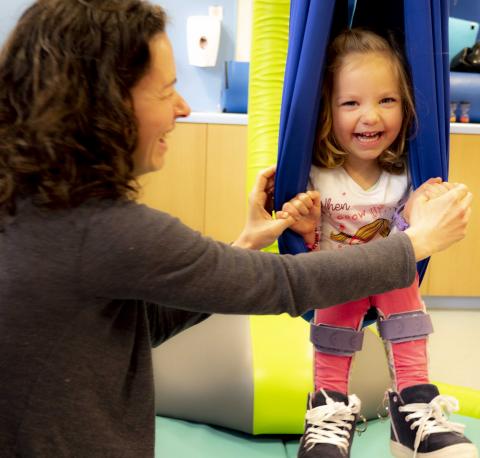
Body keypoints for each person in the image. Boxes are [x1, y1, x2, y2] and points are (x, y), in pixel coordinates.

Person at [0, 2, 472, 457]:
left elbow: (137, 327)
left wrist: (246, 242)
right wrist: (416, 243)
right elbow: (283, 285)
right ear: (105, 104)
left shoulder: (32, 215)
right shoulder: (107, 231)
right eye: (166, 90)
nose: (184, 108)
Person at [281, 29, 477, 458]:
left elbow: (408, 238)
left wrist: (421, 212)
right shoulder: (316, 176)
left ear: (405, 106)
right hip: (336, 287)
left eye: (386, 100)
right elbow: (313, 257)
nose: (370, 116)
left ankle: (414, 402)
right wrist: (308, 228)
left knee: (399, 262)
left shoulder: (403, 174)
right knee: (343, 281)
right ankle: (329, 410)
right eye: (351, 103)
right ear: (327, 111)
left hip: (392, 285)